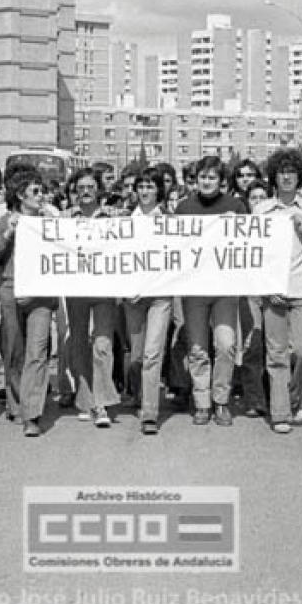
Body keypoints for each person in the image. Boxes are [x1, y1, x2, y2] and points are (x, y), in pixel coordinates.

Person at [252, 148, 302, 434]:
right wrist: (265, 287)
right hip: (273, 292)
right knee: (276, 354)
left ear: (299, 177)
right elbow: (253, 255)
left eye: (291, 172)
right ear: (274, 176)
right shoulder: (261, 210)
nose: (286, 177)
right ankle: (280, 412)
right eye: (281, 172)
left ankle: (298, 397)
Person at [0, 169, 58, 436]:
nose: (42, 196)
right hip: (11, 289)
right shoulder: (5, 221)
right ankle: (16, 403)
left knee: (37, 353)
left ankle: (32, 413)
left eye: (42, 191)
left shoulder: (49, 221)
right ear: (20, 196)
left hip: (41, 293)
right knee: (14, 352)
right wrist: (7, 234)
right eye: (35, 192)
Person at [176, 156, 247, 426]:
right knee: (197, 349)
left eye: (212, 177)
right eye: (203, 177)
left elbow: (250, 244)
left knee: (226, 345)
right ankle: (202, 402)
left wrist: (236, 226)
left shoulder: (236, 206)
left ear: (221, 181)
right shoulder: (184, 209)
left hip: (225, 288)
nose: (206, 182)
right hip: (194, 288)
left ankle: (221, 401)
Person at [59, 168, 121, 427]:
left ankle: (102, 403)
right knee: (79, 343)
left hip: (105, 290)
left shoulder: (114, 217)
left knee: (103, 344)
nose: (85, 192)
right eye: (80, 187)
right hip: (76, 289)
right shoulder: (62, 219)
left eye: (90, 187)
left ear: (99, 190)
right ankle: (85, 399)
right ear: (74, 191)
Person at [121, 167, 173, 435]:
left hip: (160, 297)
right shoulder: (123, 221)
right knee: (137, 355)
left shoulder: (171, 221)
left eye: (150, 186)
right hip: (132, 297)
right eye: (141, 186)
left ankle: (150, 413)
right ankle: (139, 395)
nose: (144, 191)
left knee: (153, 353)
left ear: (158, 191)